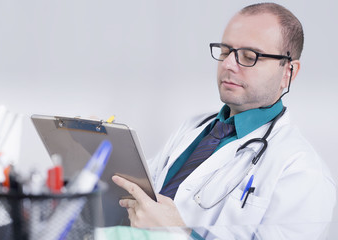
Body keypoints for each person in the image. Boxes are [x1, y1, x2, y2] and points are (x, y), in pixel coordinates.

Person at [112, 2, 336, 239]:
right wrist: (98, 147)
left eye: (249, 56)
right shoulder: (194, 128)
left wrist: (177, 233)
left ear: (288, 72)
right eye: (225, 51)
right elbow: (142, 193)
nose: (228, 65)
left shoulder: (303, 172)